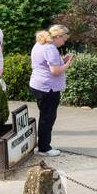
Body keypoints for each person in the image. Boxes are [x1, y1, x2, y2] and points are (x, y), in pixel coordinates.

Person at [29, 24, 74, 158]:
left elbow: (47, 63)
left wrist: (63, 59)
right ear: (58, 36)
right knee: (48, 118)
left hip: (38, 84)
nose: (64, 42)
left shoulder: (40, 43)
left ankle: (42, 144)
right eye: (64, 39)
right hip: (48, 88)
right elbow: (55, 71)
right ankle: (44, 148)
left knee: (45, 116)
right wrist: (68, 64)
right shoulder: (50, 48)